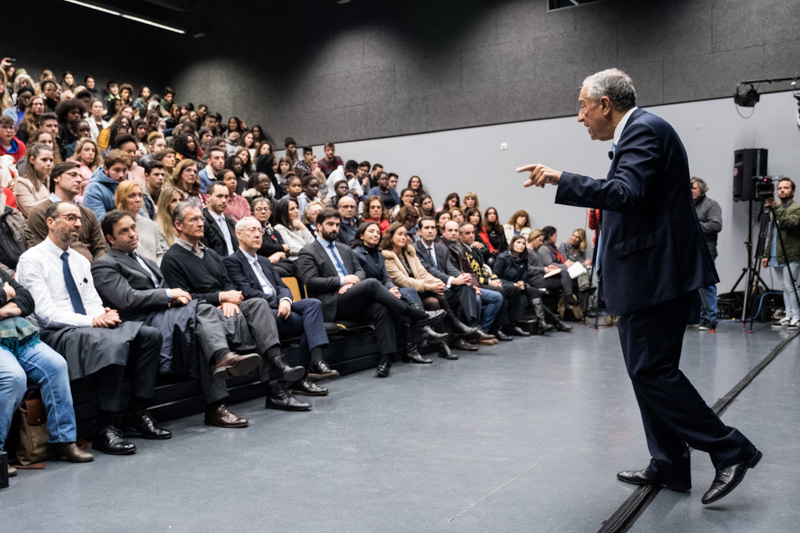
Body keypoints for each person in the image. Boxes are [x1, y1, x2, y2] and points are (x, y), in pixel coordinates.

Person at [518, 68, 759, 505]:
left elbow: (626, 194)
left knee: (651, 370)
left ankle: (730, 449)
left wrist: (560, 179)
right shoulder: (640, 131)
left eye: (582, 106)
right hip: (652, 273)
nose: (579, 117)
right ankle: (669, 463)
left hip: (656, 275)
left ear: (605, 105)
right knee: (649, 370)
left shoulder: (644, 131)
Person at [16, 202, 170, 455]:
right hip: (53, 333)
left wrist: (103, 314)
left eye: (79, 218)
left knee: (149, 335)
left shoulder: (79, 259)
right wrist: (93, 321)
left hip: (85, 326)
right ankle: (104, 427)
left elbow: (91, 303)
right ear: (50, 222)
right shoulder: (32, 259)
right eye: (69, 218)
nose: (77, 223)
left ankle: (136, 412)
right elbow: (44, 314)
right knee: (113, 342)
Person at [91, 210, 263, 428]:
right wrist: (169, 295)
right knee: (201, 310)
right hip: (140, 322)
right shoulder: (104, 264)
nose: (133, 234)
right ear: (111, 239)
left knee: (200, 327)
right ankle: (223, 359)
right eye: (124, 231)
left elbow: (162, 290)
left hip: (165, 315)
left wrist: (171, 299)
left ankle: (217, 403)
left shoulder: (144, 260)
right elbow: (126, 299)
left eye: (133, 228)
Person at [160, 201, 309, 411]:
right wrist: (220, 298)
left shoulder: (211, 254)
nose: (200, 223)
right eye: (193, 219)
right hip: (200, 312)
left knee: (258, 304)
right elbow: (183, 297)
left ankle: (277, 367)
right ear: (178, 225)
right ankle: (225, 405)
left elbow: (228, 284)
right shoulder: (171, 258)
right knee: (212, 323)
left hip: (228, 306)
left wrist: (230, 299)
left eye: (201, 219)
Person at [296, 208, 445, 378]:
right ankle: (417, 315)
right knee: (373, 284)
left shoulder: (344, 248)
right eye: (330, 224)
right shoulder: (308, 251)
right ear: (319, 226)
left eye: (337, 225)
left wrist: (353, 282)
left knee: (380, 308)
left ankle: (386, 360)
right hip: (331, 304)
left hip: (351, 298)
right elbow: (311, 281)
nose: (334, 228)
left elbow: (360, 272)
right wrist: (343, 281)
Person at [225, 217, 338, 393]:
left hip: (280, 308)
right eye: (252, 230)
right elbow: (247, 293)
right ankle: (303, 378)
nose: (257, 234)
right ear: (238, 235)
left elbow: (282, 286)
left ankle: (315, 362)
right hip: (262, 314)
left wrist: (285, 300)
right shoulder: (232, 262)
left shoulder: (264, 261)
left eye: (259, 230)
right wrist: (280, 303)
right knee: (309, 323)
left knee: (314, 305)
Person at [0, 267, 94, 473]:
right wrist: (6, 295)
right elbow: (14, 295)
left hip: (18, 335)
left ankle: (64, 441)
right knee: (12, 377)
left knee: (55, 365)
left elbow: (26, 299)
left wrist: (5, 310)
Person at [415, 217, 489, 351]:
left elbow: (449, 267)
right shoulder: (415, 249)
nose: (430, 231)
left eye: (433, 228)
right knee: (455, 296)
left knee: (466, 287)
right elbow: (427, 270)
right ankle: (462, 335)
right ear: (419, 231)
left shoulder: (440, 248)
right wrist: (453, 280)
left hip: (444, 284)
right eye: (427, 228)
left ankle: (469, 329)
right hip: (426, 287)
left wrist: (462, 277)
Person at [25, 161, 108, 262]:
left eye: (80, 176)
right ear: (56, 178)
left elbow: (100, 248)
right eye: (72, 175)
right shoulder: (39, 212)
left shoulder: (88, 213)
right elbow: (43, 249)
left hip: (92, 270)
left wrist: (97, 269)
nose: (79, 180)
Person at [493, 235, 552, 335]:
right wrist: (513, 284)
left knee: (533, 290)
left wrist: (522, 283)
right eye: (518, 242)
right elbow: (495, 277)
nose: (521, 245)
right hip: (505, 286)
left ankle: (541, 321)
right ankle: (513, 325)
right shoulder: (503, 258)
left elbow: (524, 277)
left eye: (523, 243)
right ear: (512, 244)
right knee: (515, 290)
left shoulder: (523, 259)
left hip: (518, 287)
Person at [762, 177, 800, 329]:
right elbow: (772, 233)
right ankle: (789, 315)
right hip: (776, 254)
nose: (782, 190)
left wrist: (776, 208)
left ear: (793, 191)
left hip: (791, 254)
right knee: (784, 287)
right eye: (779, 188)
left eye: (786, 188)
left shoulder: (796, 208)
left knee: (792, 287)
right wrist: (766, 254)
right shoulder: (776, 209)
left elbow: (789, 224)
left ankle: (797, 317)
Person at [688, 177, 723, 331]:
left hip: (706, 252)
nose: (691, 191)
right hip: (689, 252)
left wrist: (694, 225)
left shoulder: (711, 205)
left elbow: (716, 225)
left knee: (706, 285)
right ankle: (693, 318)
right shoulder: (686, 206)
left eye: (693, 188)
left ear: (702, 189)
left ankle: (710, 318)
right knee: (690, 287)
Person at [524, 230, 574, 333]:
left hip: (541, 276)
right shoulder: (527, 252)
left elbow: (537, 266)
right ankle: (568, 296)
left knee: (563, 272)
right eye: (540, 240)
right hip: (536, 280)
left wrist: (547, 267)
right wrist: (544, 269)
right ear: (533, 238)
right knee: (564, 280)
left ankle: (568, 295)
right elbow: (527, 269)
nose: (541, 243)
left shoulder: (536, 252)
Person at [114, 181, 167, 265]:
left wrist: (157, 270)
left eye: (140, 195)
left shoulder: (149, 224)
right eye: (132, 196)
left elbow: (159, 253)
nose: (138, 200)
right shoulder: (113, 224)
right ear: (122, 198)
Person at [250, 198, 293, 277]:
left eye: (266, 209)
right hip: (261, 262)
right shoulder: (251, 230)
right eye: (259, 209)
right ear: (252, 213)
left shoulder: (273, 230)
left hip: (280, 262)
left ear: (270, 212)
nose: (263, 212)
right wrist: (282, 248)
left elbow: (288, 251)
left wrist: (279, 254)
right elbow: (263, 247)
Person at [14, 143, 53, 217]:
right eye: (44, 160)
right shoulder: (22, 182)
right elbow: (32, 212)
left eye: (51, 160)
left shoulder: (50, 179)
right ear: (32, 160)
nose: (49, 163)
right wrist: (54, 199)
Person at [202, 182, 239, 257]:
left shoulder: (231, 222)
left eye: (226, 197)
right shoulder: (202, 222)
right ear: (208, 197)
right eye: (219, 196)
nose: (224, 200)